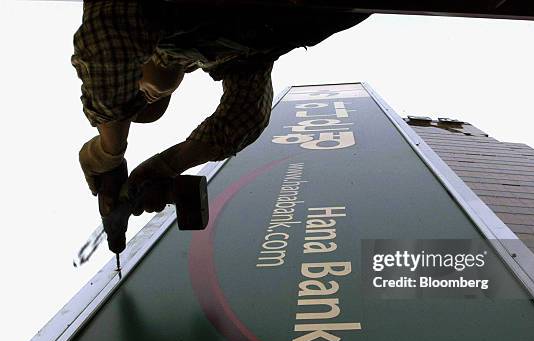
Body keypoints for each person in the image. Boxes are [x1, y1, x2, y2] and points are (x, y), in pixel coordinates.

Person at [73, 0, 369, 217]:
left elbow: (110, 37)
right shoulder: (222, 56)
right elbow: (246, 116)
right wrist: (167, 165)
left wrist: (108, 151)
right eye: (146, 100)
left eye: (135, 89)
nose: (143, 95)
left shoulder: (153, 24)